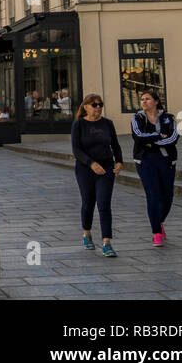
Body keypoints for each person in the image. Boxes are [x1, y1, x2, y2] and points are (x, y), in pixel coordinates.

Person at [71, 93, 123, 257]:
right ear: (85, 106)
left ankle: (107, 243)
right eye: (94, 105)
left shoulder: (107, 124)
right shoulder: (78, 125)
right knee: (88, 203)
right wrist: (91, 163)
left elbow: (115, 144)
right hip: (85, 169)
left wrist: (119, 161)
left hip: (106, 168)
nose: (98, 107)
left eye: (100, 104)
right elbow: (76, 150)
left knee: (104, 204)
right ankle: (87, 233)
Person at [132, 89, 179, 246]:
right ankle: (156, 232)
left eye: (148, 99)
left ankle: (160, 221)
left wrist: (152, 141)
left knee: (167, 196)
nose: (144, 101)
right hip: (146, 161)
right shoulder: (137, 118)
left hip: (166, 160)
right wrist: (159, 137)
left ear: (156, 101)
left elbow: (173, 137)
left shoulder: (169, 118)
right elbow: (138, 137)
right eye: (142, 99)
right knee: (153, 195)